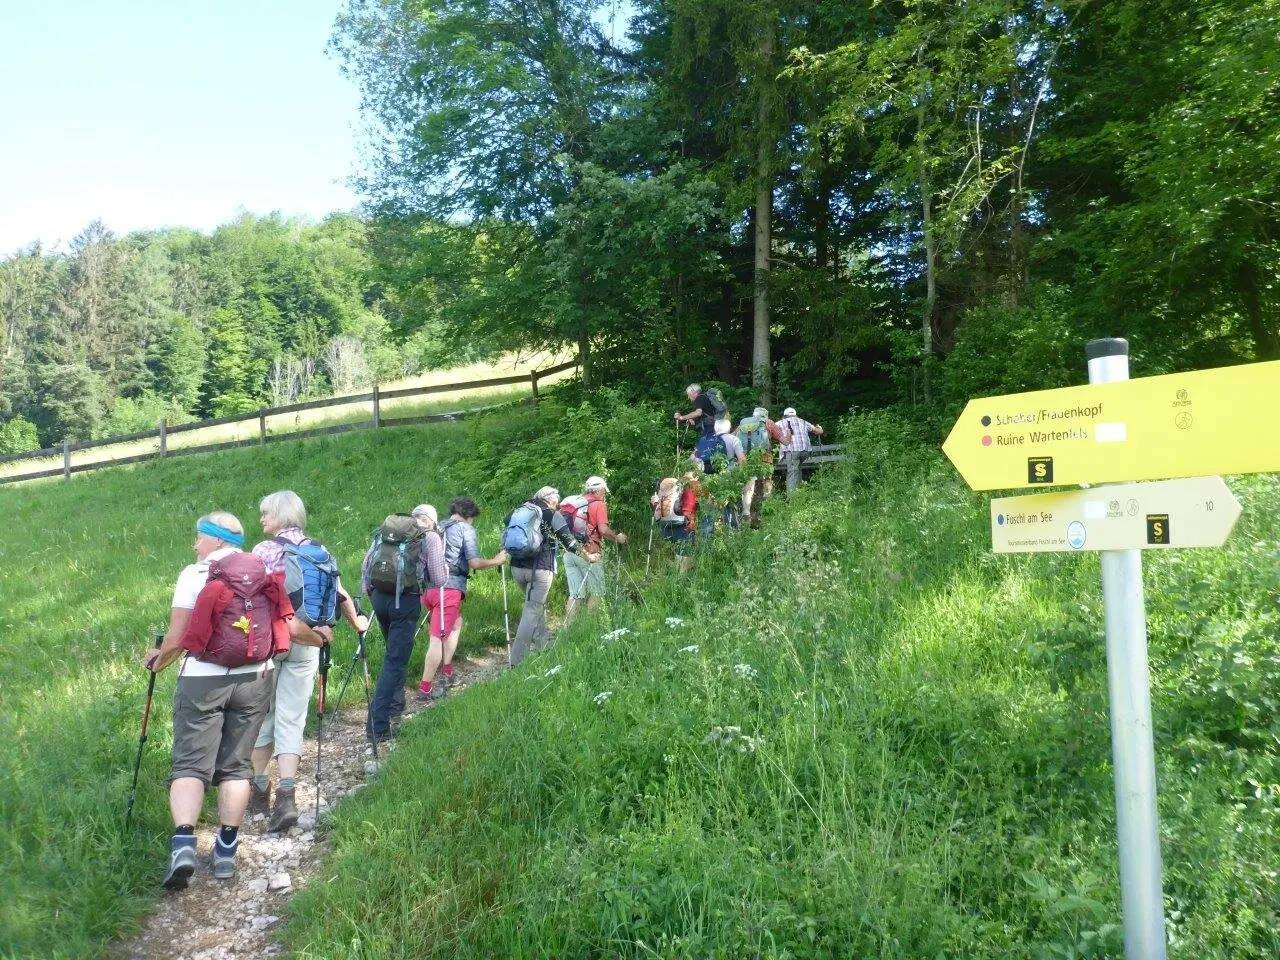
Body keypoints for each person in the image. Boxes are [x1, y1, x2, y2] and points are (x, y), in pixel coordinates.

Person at [142, 512, 293, 891]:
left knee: (191, 764)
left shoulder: (194, 574)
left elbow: (176, 639)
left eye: (199, 537)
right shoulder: (262, 568)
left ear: (214, 539)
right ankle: (226, 850)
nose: (195, 545)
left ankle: (184, 846)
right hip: (256, 677)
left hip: (202, 680)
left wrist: (157, 662)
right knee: (236, 765)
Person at [247, 491, 369, 832]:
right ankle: (286, 795)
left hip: (272, 641)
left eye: (265, 513)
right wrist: (356, 621)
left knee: (263, 717)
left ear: (280, 515)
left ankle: (259, 791)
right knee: (292, 718)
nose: (262, 519)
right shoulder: (320, 550)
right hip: (309, 640)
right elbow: (341, 593)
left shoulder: (264, 551)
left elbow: (252, 598)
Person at [418, 497, 507, 700]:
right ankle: (425, 688)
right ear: (468, 516)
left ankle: (447, 671)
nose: (473, 522)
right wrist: (497, 560)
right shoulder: (465, 529)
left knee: (456, 623)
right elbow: (474, 563)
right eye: (473, 519)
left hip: (428, 590)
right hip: (448, 591)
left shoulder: (437, 526)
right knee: (437, 638)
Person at [361, 506, 437, 741]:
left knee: (395, 653)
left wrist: (371, 594)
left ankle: (396, 705)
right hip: (405, 602)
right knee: (395, 660)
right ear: (432, 521)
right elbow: (440, 578)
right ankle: (377, 725)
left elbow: (366, 567)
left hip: (379, 598)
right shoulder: (429, 538)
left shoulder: (387, 533)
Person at [504, 486, 593, 666]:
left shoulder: (520, 510)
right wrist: (588, 556)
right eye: (557, 498)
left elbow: (507, 523)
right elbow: (569, 541)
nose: (558, 502)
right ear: (551, 499)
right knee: (532, 610)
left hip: (516, 567)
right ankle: (516, 661)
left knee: (536, 606)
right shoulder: (551, 514)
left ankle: (544, 647)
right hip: (540, 569)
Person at [563, 476, 628, 623]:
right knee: (597, 591)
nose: (605, 493)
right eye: (604, 490)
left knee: (575, 594)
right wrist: (617, 537)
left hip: (570, 552)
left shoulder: (576, 503)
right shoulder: (599, 504)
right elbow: (603, 530)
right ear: (598, 490)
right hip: (590, 553)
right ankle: (591, 627)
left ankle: (567, 630)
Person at [737, 406, 787, 526]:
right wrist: (789, 438)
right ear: (766, 415)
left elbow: (734, 437)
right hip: (765, 457)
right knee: (766, 483)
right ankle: (763, 511)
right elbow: (783, 440)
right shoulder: (768, 422)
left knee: (749, 483)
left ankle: (746, 512)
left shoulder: (743, 424)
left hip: (746, 457)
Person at [652, 471, 701, 574]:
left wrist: (656, 503)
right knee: (684, 554)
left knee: (678, 555)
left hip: (667, 526)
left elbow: (657, 514)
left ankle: (676, 577)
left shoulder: (674, 489)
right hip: (684, 526)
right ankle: (680, 580)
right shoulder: (690, 489)